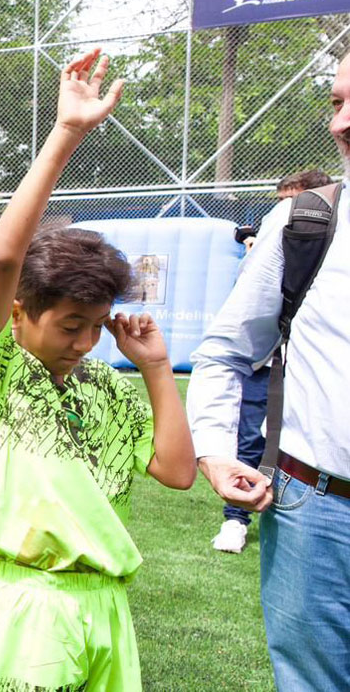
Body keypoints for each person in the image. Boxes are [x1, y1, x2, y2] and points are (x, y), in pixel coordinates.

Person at [0, 49, 195, 691]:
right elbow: (4, 259)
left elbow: (175, 472)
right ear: (22, 314)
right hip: (32, 605)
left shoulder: (106, 387)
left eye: (96, 326)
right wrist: (66, 134)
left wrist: (157, 368)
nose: (87, 342)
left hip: (110, 604)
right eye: (70, 326)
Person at [188, 54, 350, 690]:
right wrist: (216, 452)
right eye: (336, 102)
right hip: (315, 513)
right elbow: (227, 352)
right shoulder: (305, 222)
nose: (342, 123)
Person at [211, 167, 334, 554]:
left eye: (289, 202)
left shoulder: (324, 240)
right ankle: (235, 519)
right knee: (248, 438)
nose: (278, 213)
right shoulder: (271, 236)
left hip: (307, 377)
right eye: (279, 203)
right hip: (266, 364)